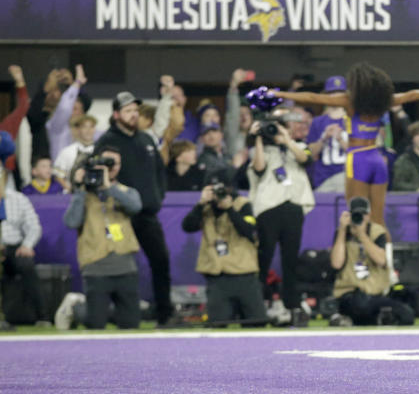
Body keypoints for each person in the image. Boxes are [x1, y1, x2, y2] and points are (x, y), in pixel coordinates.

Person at [272, 63, 419, 226]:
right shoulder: (382, 101)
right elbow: (411, 95)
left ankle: (359, 250)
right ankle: (385, 252)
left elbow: (313, 97)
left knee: (355, 212)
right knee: (377, 216)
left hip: (358, 157)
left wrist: (281, 95)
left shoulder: (350, 102)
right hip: (375, 157)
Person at [95, 91, 172, 326]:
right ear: (116, 114)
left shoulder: (146, 140)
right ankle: (121, 316)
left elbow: (160, 171)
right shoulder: (107, 142)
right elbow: (99, 178)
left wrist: (158, 196)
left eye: (135, 111)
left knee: (161, 261)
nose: (133, 115)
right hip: (120, 215)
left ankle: (164, 315)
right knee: (120, 267)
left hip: (147, 214)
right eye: (128, 111)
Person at [61, 145, 142, 329]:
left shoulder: (126, 191)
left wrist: (108, 187)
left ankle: (98, 310)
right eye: (106, 162)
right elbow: (71, 222)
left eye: (115, 163)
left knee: (131, 325)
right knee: (95, 324)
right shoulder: (84, 195)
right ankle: (77, 309)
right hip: (95, 267)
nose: (111, 167)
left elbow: (135, 207)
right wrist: (80, 189)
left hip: (125, 267)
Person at [247, 112, 314, 326]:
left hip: (293, 207)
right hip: (269, 208)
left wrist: (286, 139)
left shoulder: (298, 146)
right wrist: (257, 138)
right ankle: (258, 305)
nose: (275, 130)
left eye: (280, 126)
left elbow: (306, 159)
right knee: (263, 258)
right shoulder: (262, 149)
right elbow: (258, 168)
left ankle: (291, 306)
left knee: (290, 261)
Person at [181, 181, 267, 326]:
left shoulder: (243, 204)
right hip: (218, 277)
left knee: (257, 323)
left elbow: (249, 231)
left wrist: (230, 209)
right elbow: (187, 226)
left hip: (244, 276)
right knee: (216, 325)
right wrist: (200, 204)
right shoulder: (206, 207)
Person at [330, 196, 415, 326]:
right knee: (360, 304)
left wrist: (362, 235)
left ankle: (356, 319)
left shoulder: (377, 232)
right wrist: (342, 231)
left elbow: (381, 260)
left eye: (363, 214)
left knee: (406, 314)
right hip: (350, 293)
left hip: (374, 294)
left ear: (368, 215)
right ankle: (376, 319)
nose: (360, 218)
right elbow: (336, 263)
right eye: (356, 214)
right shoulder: (342, 232)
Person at [0, 171, 44, 324]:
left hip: (14, 248)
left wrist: (27, 245)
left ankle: (41, 316)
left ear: (4, 179)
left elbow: (34, 226)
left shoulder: (18, 198)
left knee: (26, 264)